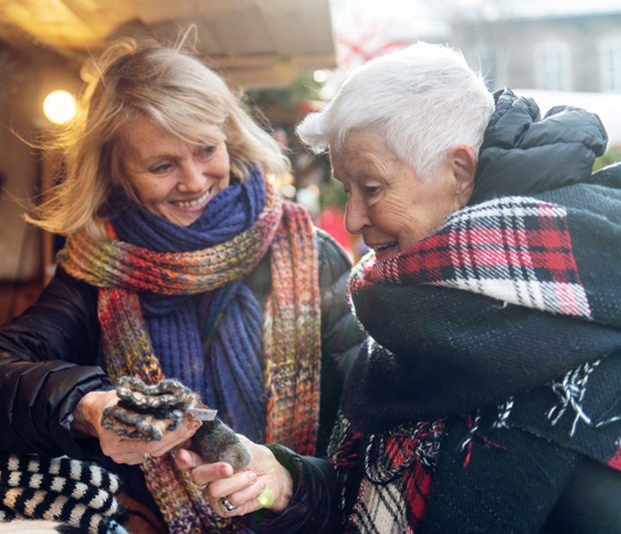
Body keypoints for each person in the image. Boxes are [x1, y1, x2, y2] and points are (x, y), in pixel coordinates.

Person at [175, 42, 621, 533]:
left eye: (371, 187)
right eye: (348, 189)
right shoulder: (411, 302)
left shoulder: (592, 325)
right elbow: (368, 491)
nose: (352, 218)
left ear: (459, 171)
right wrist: (291, 484)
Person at [0, 32, 360, 533]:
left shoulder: (313, 256)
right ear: (116, 173)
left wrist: (291, 483)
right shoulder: (95, 273)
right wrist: (90, 408)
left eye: (207, 149)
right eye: (162, 166)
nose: (194, 180)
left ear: (228, 136)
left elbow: (366, 455)